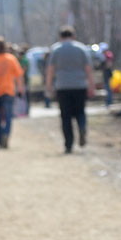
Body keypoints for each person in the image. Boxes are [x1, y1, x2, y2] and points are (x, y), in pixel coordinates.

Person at [45, 26, 97, 154]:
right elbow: (88, 69)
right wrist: (92, 86)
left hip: (63, 86)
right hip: (80, 85)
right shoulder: (81, 49)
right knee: (80, 111)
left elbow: (50, 70)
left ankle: (68, 144)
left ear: (61, 36)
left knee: (65, 116)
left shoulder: (56, 49)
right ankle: (82, 126)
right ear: (73, 36)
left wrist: (48, 86)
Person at [0, 38, 22, 149]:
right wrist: (20, 89)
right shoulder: (11, 59)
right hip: (9, 90)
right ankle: (6, 134)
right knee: (8, 116)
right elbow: (19, 76)